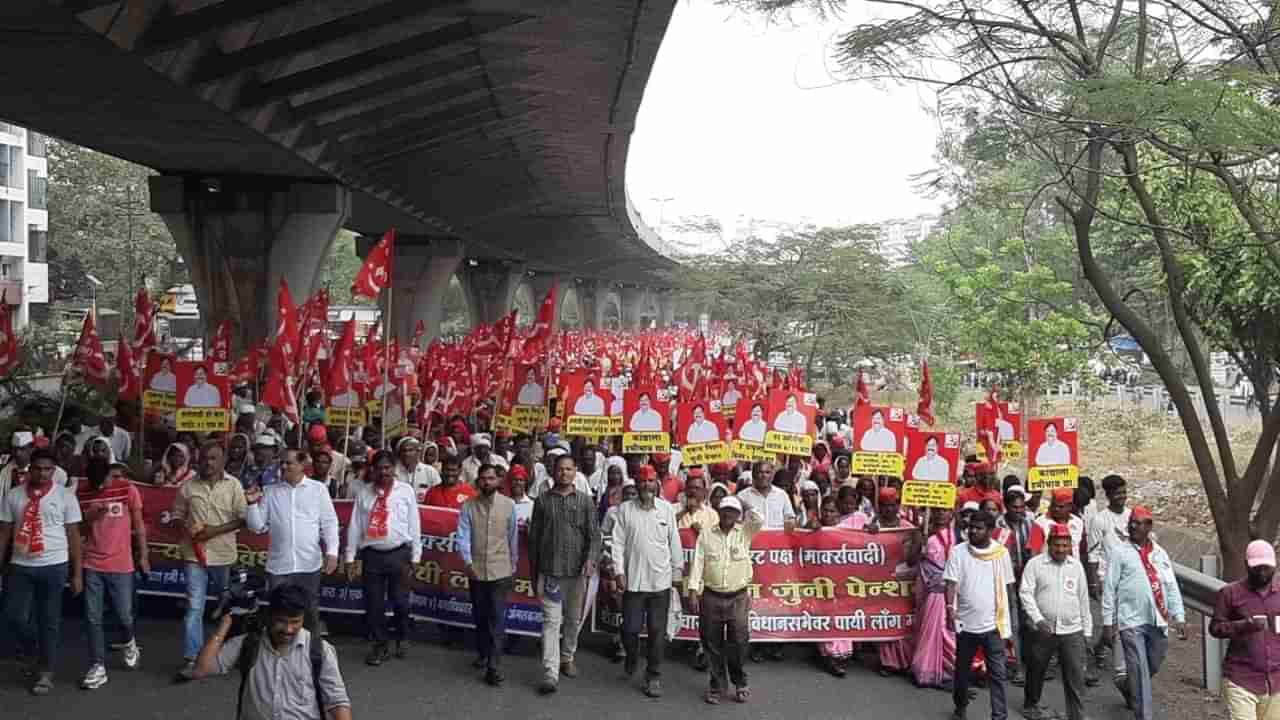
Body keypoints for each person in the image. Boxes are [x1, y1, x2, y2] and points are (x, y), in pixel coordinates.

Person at [191, 583, 352, 720]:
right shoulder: (248, 643)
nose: (288, 629)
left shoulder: (320, 650)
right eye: (281, 622)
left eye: (295, 622)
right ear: (269, 616)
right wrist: (223, 627)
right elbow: (200, 670)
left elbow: (337, 701)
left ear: (303, 619)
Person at [0, 447, 83, 695]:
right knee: (14, 615)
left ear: (54, 471)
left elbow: (74, 535)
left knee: (49, 620)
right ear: (30, 469)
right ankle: (33, 650)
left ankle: (45, 671)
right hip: (20, 564)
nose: (43, 473)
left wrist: (77, 574)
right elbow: (4, 533)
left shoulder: (65, 496)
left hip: (54, 564)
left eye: (48, 469)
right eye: (38, 468)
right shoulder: (13, 495)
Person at [1101, 506, 1186, 720]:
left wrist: (1179, 616)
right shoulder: (1120, 552)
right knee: (1140, 670)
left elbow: (1171, 586)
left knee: (1152, 665)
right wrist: (1107, 623)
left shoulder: (1159, 553)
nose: (1133, 526)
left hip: (1158, 619)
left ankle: (1127, 685)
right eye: (1132, 522)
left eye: (1139, 523)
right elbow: (1109, 589)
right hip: (1130, 621)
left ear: (1149, 527)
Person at [172, 441, 247, 681]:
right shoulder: (187, 487)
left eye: (213, 458)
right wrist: (186, 526)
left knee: (226, 605)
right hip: (194, 556)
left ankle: (229, 654)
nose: (208, 463)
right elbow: (176, 515)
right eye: (204, 458)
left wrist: (213, 531)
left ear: (223, 460)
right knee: (194, 607)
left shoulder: (234, 485)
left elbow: (242, 519)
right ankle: (192, 658)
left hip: (223, 556)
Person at [528, 454, 600, 694]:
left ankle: (567, 656)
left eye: (569, 469)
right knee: (551, 622)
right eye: (560, 469)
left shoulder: (585, 502)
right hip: (551, 573)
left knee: (572, 620)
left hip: (577, 574)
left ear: (575, 472)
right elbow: (534, 540)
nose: (564, 473)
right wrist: (534, 575)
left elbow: (594, 536)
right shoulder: (543, 501)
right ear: (553, 472)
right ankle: (550, 673)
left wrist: (591, 559)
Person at [245, 449, 339, 633]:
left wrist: (332, 552)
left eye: (289, 463)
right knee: (278, 616)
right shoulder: (270, 491)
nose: (284, 466)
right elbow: (257, 527)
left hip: (309, 565)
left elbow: (329, 523)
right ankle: (279, 659)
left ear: (303, 465)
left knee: (309, 615)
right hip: (279, 566)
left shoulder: (318, 489)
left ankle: (313, 658)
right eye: (282, 463)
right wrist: (251, 505)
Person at [611, 463, 683, 697]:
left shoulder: (666, 510)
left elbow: (674, 543)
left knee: (656, 631)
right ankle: (632, 656)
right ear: (636, 484)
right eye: (642, 481)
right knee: (630, 629)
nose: (646, 485)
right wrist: (619, 571)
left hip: (660, 582)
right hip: (633, 581)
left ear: (657, 484)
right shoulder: (624, 510)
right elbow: (618, 543)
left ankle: (653, 676)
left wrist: (677, 573)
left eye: (650, 481)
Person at [343, 450, 421, 665]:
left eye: (388, 468)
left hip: (400, 554)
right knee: (374, 604)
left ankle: (403, 635)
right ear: (373, 470)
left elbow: (414, 524)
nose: (384, 472)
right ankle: (380, 645)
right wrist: (350, 557)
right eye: (380, 468)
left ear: (394, 469)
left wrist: (416, 555)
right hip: (372, 557)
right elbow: (355, 527)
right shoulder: (364, 493)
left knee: (400, 601)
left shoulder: (405, 492)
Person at [77, 460, 148, 689]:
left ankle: (129, 641)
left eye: (105, 480)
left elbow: (138, 525)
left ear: (110, 475)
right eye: (96, 483)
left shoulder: (127, 489)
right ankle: (97, 666)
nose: (102, 486)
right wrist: (91, 518)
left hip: (121, 564)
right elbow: (77, 529)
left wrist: (144, 556)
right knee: (92, 617)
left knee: (124, 615)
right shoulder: (82, 492)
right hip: (92, 563)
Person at [687, 495, 763, 704]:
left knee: (739, 641)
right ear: (719, 512)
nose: (729, 514)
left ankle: (740, 681)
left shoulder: (745, 532)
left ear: (739, 515)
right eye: (726, 510)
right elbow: (698, 563)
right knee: (712, 643)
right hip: (711, 596)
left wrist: (742, 502)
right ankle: (717, 685)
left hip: (738, 596)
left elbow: (758, 518)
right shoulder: (707, 534)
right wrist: (693, 590)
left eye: (733, 511)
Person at [944, 509, 1014, 720]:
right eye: (971, 527)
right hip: (965, 624)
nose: (973, 531)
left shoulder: (1001, 553)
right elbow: (951, 582)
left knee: (998, 674)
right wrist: (950, 608)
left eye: (979, 528)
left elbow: (1008, 587)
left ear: (990, 531)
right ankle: (960, 706)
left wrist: (1009, 621)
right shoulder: (958, 552)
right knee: (962, 671)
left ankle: (999, 715)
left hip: (994, 624)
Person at [1018, 523, 1092, 720]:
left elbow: (1083, 599)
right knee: (1037, 669)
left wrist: (1087, 631)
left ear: (1070, 546)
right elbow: (1025, 592)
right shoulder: (1035, 564)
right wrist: (1037, 619)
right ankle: (1031, 705)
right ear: (1049, 543)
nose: (1060, 549)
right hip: (1044, 629)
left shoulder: (1076, 567)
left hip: (1073, 629)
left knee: (1075, 676)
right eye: (1056, 545)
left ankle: (1076, 714)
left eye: (1064, 545)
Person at [457, 464, 518, 686]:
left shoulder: (509, 505)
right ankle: (483, 654)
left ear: (498, 481)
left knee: (497, 618)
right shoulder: (469, 506)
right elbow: (462, 536)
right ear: (478, 482)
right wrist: (467, 561)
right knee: (481, 617)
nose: (487, 482)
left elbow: (512, 539)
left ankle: (494, 666)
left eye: (491, 478)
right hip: (476, 571)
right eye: (483, 479)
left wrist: (513, 566)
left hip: (501, 571)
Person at [1210, 539, 1280, 720]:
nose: (1263, 572)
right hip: (1241, 678)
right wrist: (1243, 625)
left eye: (1267, 567)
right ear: (1247, 566)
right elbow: (1216, 628)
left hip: (1276, 681)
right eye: (1257, 568)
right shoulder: (1230, 593)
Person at [912, 508, 958, 690]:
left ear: (952, 514)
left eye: (945, 511)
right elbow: (911, 561)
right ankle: (929, 671)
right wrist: (919, 545)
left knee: (947, 632)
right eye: (938, 511)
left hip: (951, 591)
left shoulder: (957, 536)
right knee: (933, 630)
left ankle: (947, 672)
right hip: (931, 591)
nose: (940, 514)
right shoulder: (925, 535)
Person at [1028, 487, 1085, 559]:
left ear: (1070, 506)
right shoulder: (1039, 523)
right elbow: (1033, 555)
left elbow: (1082, 551)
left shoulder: (1078, 523)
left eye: (1060, 507)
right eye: (1053, 505)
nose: (1056, 509)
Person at [393, 436, 439, 501]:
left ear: (418, 452)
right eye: (404, 451)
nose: (407, 454)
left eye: (410, 450)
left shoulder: (430, 471)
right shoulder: (393, 471)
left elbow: (438, 493)